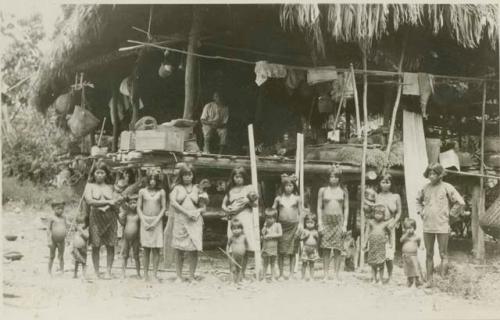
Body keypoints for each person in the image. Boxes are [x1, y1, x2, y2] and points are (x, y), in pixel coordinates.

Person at [417, 163, 465, 287]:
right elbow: (418, 200)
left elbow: (460, 202)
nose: (431, 176)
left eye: (434, 174)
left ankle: (442, 281)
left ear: (440, 175)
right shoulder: (425, 188)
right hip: (428, 226)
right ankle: (429, 280)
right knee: (429, 253)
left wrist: (450, 215)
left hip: (442, 225)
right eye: (429, 174)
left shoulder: (447, 187)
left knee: (443, 253)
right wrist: (420, 211)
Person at [170, 165, 208, 282]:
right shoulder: (176, 188)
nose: (187, 177)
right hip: (180, 221)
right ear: (181, 176)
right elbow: (173, 203)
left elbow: (204, 208)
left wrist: (195, 212)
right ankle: (178, 276)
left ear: (193, 175)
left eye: (189, 174)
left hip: (194, 221)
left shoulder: (198, 188)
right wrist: (186, 212)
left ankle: (191, 276)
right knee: (179, 249)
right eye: (185, 175)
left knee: (193, 249)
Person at [84, 161, 122, 279]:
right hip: (95, 218)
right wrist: (107, 202)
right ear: (93, 173)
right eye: (97, 172)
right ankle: (96, 272)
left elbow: (116, 202)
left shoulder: (110, 187)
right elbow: (90, 201)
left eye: (102, 173)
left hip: (110, 218)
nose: (99, 175)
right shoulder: (89, 186)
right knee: (96, 245)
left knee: (110, 245)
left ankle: (108, 271)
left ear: (106, 174)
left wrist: (117, 205)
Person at [222, 167, 258, 280]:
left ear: (244, 177)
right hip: (233, 218)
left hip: (246, 217)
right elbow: (223, 204)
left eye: (241, 177)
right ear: (233, 178)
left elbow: (256, 204)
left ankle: (242, 273)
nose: (238, 179)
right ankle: (233, 273)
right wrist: (226, 209)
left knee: (244, 245)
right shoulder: (230, 190)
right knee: (233, 244)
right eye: (236, 177)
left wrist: (249, 201)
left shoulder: (249, 188)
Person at [317, 165, 349, 281]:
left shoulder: (343, 191)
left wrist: (345, 224)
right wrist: (319, 223)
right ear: (328, 178)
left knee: (337, 249)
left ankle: (336, 275)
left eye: (336, 177)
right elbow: (319, 207)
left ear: (339, 178)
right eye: (331, 177)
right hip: (326, 221)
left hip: (339, 222)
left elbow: (346, 208)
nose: (333, 179)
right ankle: (325, 275)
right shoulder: (323, 190)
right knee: (325, 249)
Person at [272, 173, 302, 280]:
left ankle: (291, 274)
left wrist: (300, 225)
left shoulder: (297, 198)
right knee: (281, 251)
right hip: (281, 226)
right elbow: (272, 212)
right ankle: (280, 274)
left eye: (291, 185)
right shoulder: (278, 198)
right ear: (283, 186)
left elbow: (300, 212)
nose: (288, 188)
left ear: (294, 187)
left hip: (294, 226)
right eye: (286, 185)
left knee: (292, 251)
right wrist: (272, 225)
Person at [138, 174, 166, 282]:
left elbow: (163, 208)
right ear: (147, 180)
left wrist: (155, 221)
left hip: (157, 222)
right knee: (145, 249)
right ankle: (145, 275)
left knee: (156, 249)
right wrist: (144, 221)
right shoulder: (142, 191)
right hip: (145, 221)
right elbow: (138, 208)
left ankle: (154, 274)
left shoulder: (161, 192)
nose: (152, 182)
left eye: (155, 179)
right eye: (151, 179)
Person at [376, 173, 402, 282]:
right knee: (379, 251)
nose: (385, 185)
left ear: (391, 183)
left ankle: (390, 276)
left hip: (390, 225)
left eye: (388, 182)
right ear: (379, 183)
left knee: (390, 253)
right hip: (379, 226)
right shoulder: (377, 196)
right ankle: (380, 276)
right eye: (383, 182)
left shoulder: (395, 196)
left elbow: (399, 212)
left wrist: (394, 222)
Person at [364, 204, 394, 284]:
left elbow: (390, 233)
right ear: (373, 213)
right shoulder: (370, 222)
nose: (378, 215)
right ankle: (374, 279)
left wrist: (391, 243)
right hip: (373, 245)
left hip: (382, 246)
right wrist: (365, 243)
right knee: (373, 263)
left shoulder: (385, 223)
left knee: (381, 263)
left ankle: (380, 279)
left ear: (383, 215)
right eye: (376, 213)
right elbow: (367, 233)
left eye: (380, 214)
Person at [119, 194, 141, 279]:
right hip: (126, 238)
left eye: (134, 203)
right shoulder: (126, 213)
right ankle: (122, 273)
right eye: (131, 203)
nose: (133, 205)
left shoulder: (139, 214)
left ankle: (138, 273)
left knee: (136, 255)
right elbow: (122, 222)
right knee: (125, 255)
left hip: (136, 238)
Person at [400, 218, 423, 288]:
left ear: (414, 228)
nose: (409, 230)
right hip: (406, 256)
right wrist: (406, 234)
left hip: (413, 256)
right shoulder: (405, 237)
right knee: (408, 269)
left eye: (411, 228)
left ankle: (416, 282)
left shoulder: (416, 237)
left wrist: (420, 247)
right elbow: (401, 240)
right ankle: (409, 281)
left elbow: (419, 244)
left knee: (415, 269)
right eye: (407, 228)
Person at [261, 209, 282, 281]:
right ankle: (263, 277)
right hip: (266, 247)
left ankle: (273, 277)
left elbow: (280, 234)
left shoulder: (277, 225)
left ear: (275, 218)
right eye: (267, 218)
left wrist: (271, 236)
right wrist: (264, 227)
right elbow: (263, 234)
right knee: (265, 263)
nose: (269, 220)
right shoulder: (266, 226)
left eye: (271, 218)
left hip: (273, 248)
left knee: (273, 263)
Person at [47, 200, 67, 275]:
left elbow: (66, 227)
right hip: (53, 240)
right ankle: (49, 271)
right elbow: (48, 229)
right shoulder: (51, 217)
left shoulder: (64, 217)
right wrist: (49, 240)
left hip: (62, 240)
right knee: (52, 256)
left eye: (62, 208)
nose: (60, 210)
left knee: (61, 256)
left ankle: (62, 271)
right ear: (54, 209)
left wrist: (67, 238)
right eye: (58, 208)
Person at [299, 213, 320, 281]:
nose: (309, 224)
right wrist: (305, 236)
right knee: (304, 263)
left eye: (311, 222)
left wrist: (317, 237)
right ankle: (302, 277)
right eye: (307, 222)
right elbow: (301, 238)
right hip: (305, 248)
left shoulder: (315, 231)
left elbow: (318, 241)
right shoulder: (304, 230)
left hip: (313, 249)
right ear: (305, 223)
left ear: (315, 223)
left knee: (312, 264)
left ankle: (312, 277)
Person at [227, 219, 249, 284]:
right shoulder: (231, 237)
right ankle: (231, 281)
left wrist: (245, 251)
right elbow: (228, 245)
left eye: (238, 228)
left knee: (239, 268)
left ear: (242, 229)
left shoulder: (244, 237)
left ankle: (238, 281)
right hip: (233, 256)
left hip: (241, 256)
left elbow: (247, 245)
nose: (236, 230)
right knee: (232, 269)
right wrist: (227, 252)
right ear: (231, 229)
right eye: (234, 228)